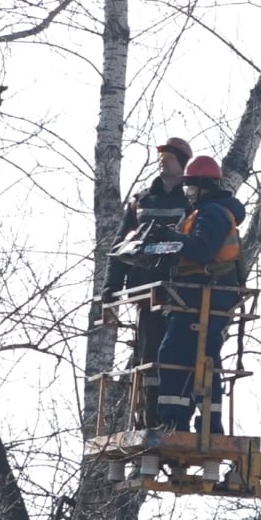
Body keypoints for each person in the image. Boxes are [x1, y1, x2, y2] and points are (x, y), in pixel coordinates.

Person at [101, 137, 193, 418]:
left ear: (182, 164)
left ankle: (175, 416)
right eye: (161, 158)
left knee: (178, 358)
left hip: (179, 293)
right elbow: (120, 246)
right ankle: (148, 415)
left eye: (169, 158)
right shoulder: (141, 201)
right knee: (148, 356)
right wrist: (111, 285)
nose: (163, 162)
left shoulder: (191, 202)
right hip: (144, 291)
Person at [153, 154, 245, 434]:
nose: (189, 192)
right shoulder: (205, 211)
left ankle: (174, 421)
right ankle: (204, 422)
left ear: (205, 185)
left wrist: (170, 238)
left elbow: (202, 250)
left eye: (192, 187)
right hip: (201, 294)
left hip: (209, 294)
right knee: (203, 357)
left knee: (174, 352)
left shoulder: (214, 212)